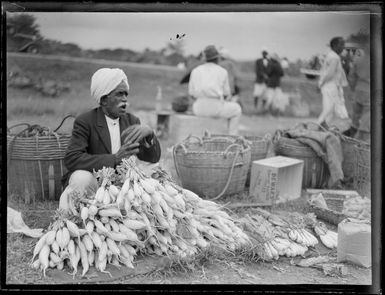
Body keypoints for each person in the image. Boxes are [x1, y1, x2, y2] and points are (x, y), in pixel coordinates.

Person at [59, 68, 161, 210]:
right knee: (81, 178)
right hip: (95, 181)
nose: (125, 99)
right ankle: (76, 214)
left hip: (121, 183)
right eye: (119, 94)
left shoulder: (132, 121)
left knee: (155, 171)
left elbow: (151, 159)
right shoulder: (85, 121)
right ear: (104, 99)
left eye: (126, 94)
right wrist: (115, 158)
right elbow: (73, 159)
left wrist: (150, 135)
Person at [188, 45, 242, 135]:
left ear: (204, 58)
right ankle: (233, 138)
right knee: (237, 109)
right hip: (215, 107)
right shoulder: (222, 71)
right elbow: (226, 94)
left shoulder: (195, 70)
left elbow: (191, 93)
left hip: (198, 108)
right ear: (217, 58)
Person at [317, 37, 349, 128]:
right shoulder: (334, 57)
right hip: (330, 85)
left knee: (331, 111)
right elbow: (330, 74)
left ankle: (323, 128)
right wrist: (321, 83)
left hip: (329, 85)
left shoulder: (331, 55)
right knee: (328, 109)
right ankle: (317, 126)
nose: (343, 47)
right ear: (334, 45)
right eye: (341, 44)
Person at [344, 42, 370, 142]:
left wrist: (354, 89)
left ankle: (350, 140)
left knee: (355, 118)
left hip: (359, 90)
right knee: (366, 121)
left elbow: (351, 77)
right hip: (370, 92)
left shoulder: (358, 60)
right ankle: (361, 145)